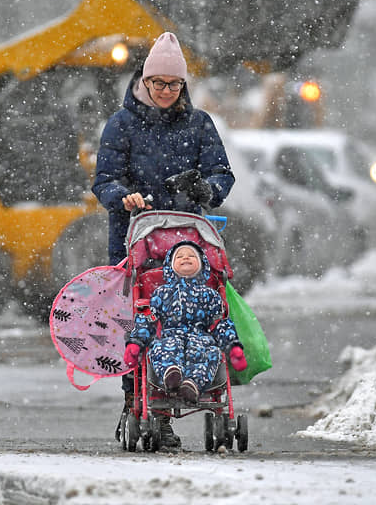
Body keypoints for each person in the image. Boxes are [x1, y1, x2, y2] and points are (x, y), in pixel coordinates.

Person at [92, 32, 235, 448]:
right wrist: (124, 196)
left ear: (183, 85)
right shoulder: (121, 125)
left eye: (173, 85)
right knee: (137, 321)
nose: (166, 92)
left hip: (188, 242)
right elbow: (104, 180)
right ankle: (137, 402)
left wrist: (205, 187)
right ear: (145, 81)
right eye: (159, 84)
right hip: (134, 237)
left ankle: (197, 383)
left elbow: (222, 174)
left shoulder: (199, 124)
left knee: (191, 319)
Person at [123, 241, 247, 404]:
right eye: (179, 256)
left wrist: (233, 346)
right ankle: (171, 373)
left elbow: (220, 323)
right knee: (160, 348)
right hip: (170, 337)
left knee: (211, 354)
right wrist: (136, 342)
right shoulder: (161, 293)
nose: (185, 258)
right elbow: (148, 320)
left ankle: (192, 385)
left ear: (202, 264)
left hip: (201, 339)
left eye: (191, 256)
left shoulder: (209, 295)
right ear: (170, 266)